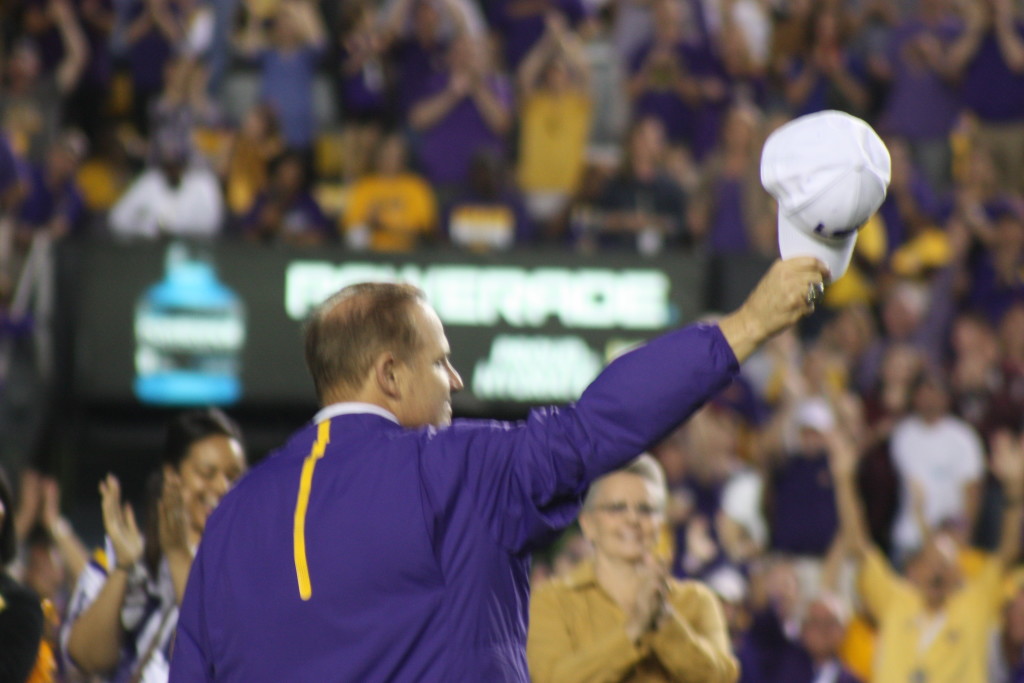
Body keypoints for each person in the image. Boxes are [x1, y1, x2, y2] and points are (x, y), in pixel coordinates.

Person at [169, 111, 885, 682]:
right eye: (440, 362)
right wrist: (748, 324)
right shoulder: (453, 468)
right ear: (387, 375)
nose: (455, 381)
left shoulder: (230, 520)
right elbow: (595, 427)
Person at [62, 409, 246, 683]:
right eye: (207, 473)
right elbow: (85, 657)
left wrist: (178, 556)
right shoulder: (123, 555)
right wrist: (124, 568)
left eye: (234, 476)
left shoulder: (253, 569)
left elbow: (225, 656)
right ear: (172, 475)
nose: (222, 486)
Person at [831, 424, 1024, 683]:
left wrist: (1014, 489)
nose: (937, 572)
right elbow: (858, 546)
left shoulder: (974, 603)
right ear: (912, 570)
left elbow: (1008, 551)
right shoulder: (896, 600)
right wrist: (843, 480)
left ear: (959, 572)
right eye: (930, 564)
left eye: (945, 565)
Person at [526, 454, 738, 682]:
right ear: (588, 524)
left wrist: (664, 621)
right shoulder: (550, 601)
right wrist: (634, 630)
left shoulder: (697, 600)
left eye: (646, 509)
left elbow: (721, 678)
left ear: (661, 525)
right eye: (616, 508)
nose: (632, 519)